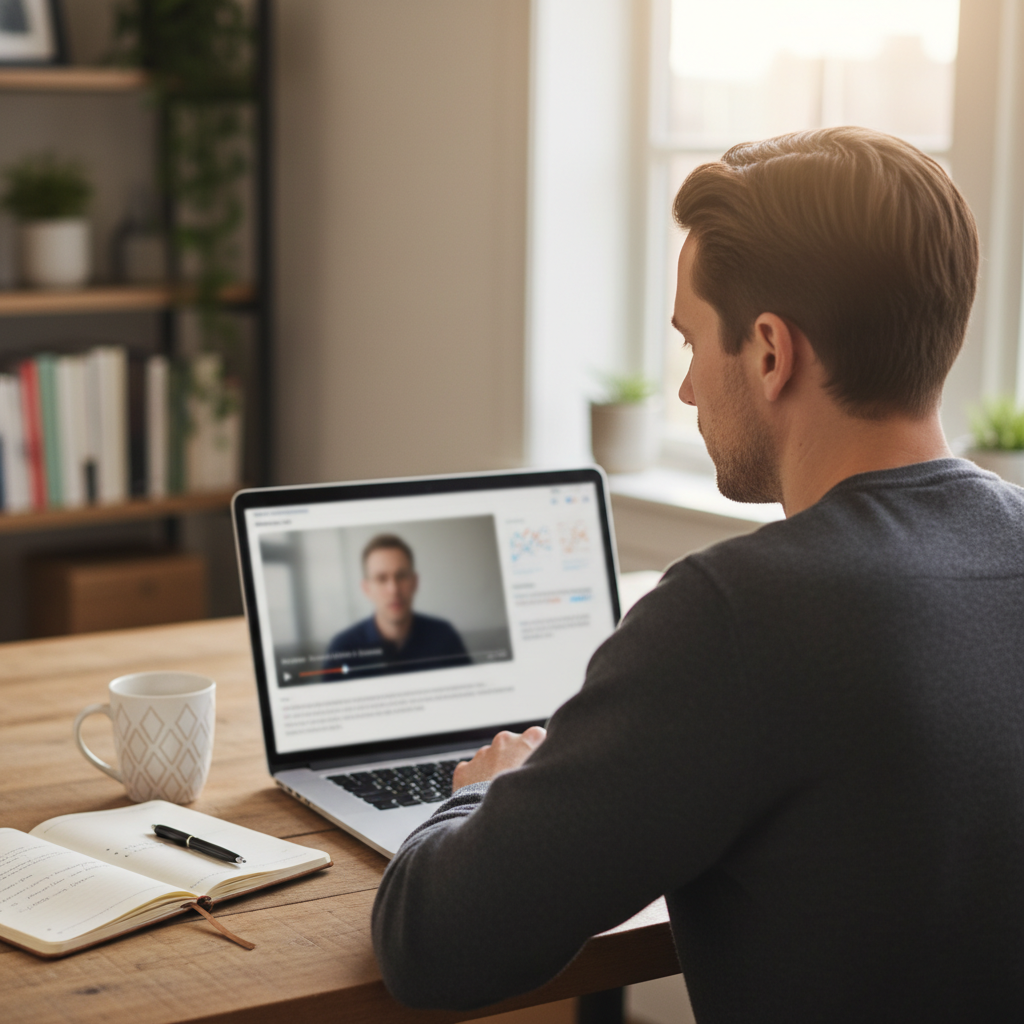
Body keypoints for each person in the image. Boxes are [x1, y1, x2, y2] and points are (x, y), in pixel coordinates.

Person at [371, 128, 1024, 1022]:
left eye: (689, 343)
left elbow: (433, 946)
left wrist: (491, 790)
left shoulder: (740, 612)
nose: (684, 391)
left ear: (768, 351)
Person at [327, 533, 470, 677]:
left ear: (415, 582)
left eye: (401, 576)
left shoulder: (444, 637)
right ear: (366, 588)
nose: (394, 589)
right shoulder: (342, 649)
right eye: (381, 579)